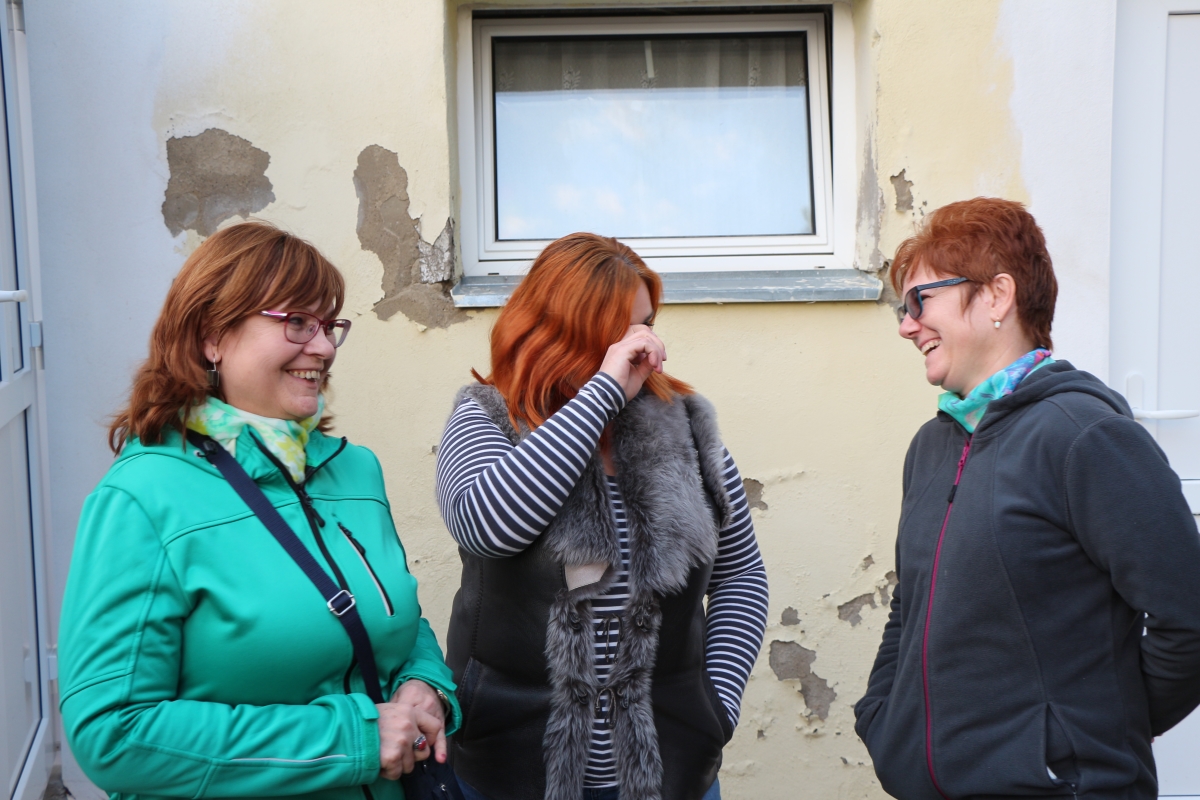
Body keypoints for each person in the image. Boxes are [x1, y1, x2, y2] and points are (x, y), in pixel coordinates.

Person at [58, 221, 460, 800]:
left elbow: (395, 617)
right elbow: (114, 734)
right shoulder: (142, 498)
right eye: (296, 322)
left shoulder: (355, 471)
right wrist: (350, 739)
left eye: (328, 325)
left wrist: (427, 682)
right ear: (211, 336)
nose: (323, 347)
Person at [855, 198, 1200, 799]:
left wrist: (1086, 735)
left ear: (997, 296)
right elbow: (908, 606)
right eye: (903, 309)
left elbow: (1188, 619)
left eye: (920, 301)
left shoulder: (1086, 437)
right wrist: (885, 718)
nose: (907, 326)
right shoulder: (931, 447)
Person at [434, 233, 769, 800]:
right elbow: (488, 527)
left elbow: (741, 575)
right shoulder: (486, 417)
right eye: (621, 330)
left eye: (647, 324)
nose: (644, 344)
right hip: (510, 768)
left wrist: (718, 704)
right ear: (558, 329)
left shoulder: (685, 428)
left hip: (669, 771)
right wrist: (603, 392)